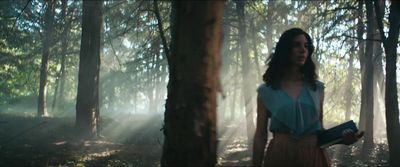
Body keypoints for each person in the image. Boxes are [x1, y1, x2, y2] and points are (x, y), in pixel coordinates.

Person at [252, 28, 363, 167]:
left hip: (313, 156)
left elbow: (320, 132)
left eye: (306, 46)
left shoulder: (316, 89)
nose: (303, 50)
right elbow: (260, 136)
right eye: (296, 45)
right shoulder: (266, 91)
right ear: (285, 49)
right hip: (280, 155)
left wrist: (342, 139)